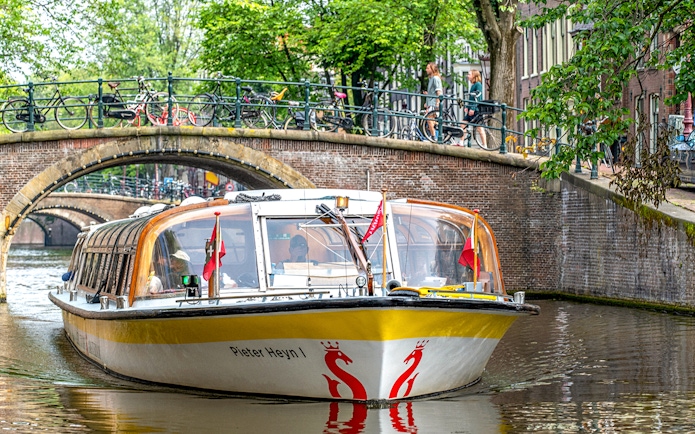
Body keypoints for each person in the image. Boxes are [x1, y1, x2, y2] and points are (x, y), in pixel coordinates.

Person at [461, 70, 485, 147]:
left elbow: (477, 96)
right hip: (471, 109)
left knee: (479, 128)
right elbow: (471, 98)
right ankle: (461, 142)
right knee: (463, 124)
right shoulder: (472, 85)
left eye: (469, 74)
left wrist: (473, 108)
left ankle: (485, 145)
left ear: (474, 76)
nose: (467, 76)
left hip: (476, 110)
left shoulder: (478, 84)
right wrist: (467, 107)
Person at [423, 62, 443, 139]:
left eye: (428, 68)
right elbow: (433, 92)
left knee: (429, 119)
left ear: (432, 69)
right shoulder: (431, 79)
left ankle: (434, 136)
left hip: (434, 103)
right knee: (431, 120)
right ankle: (434, 135)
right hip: (431, 102)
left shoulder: (435, 78)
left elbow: (438, 91)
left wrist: (438, 102)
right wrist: (427, 100)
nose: (426, 70)